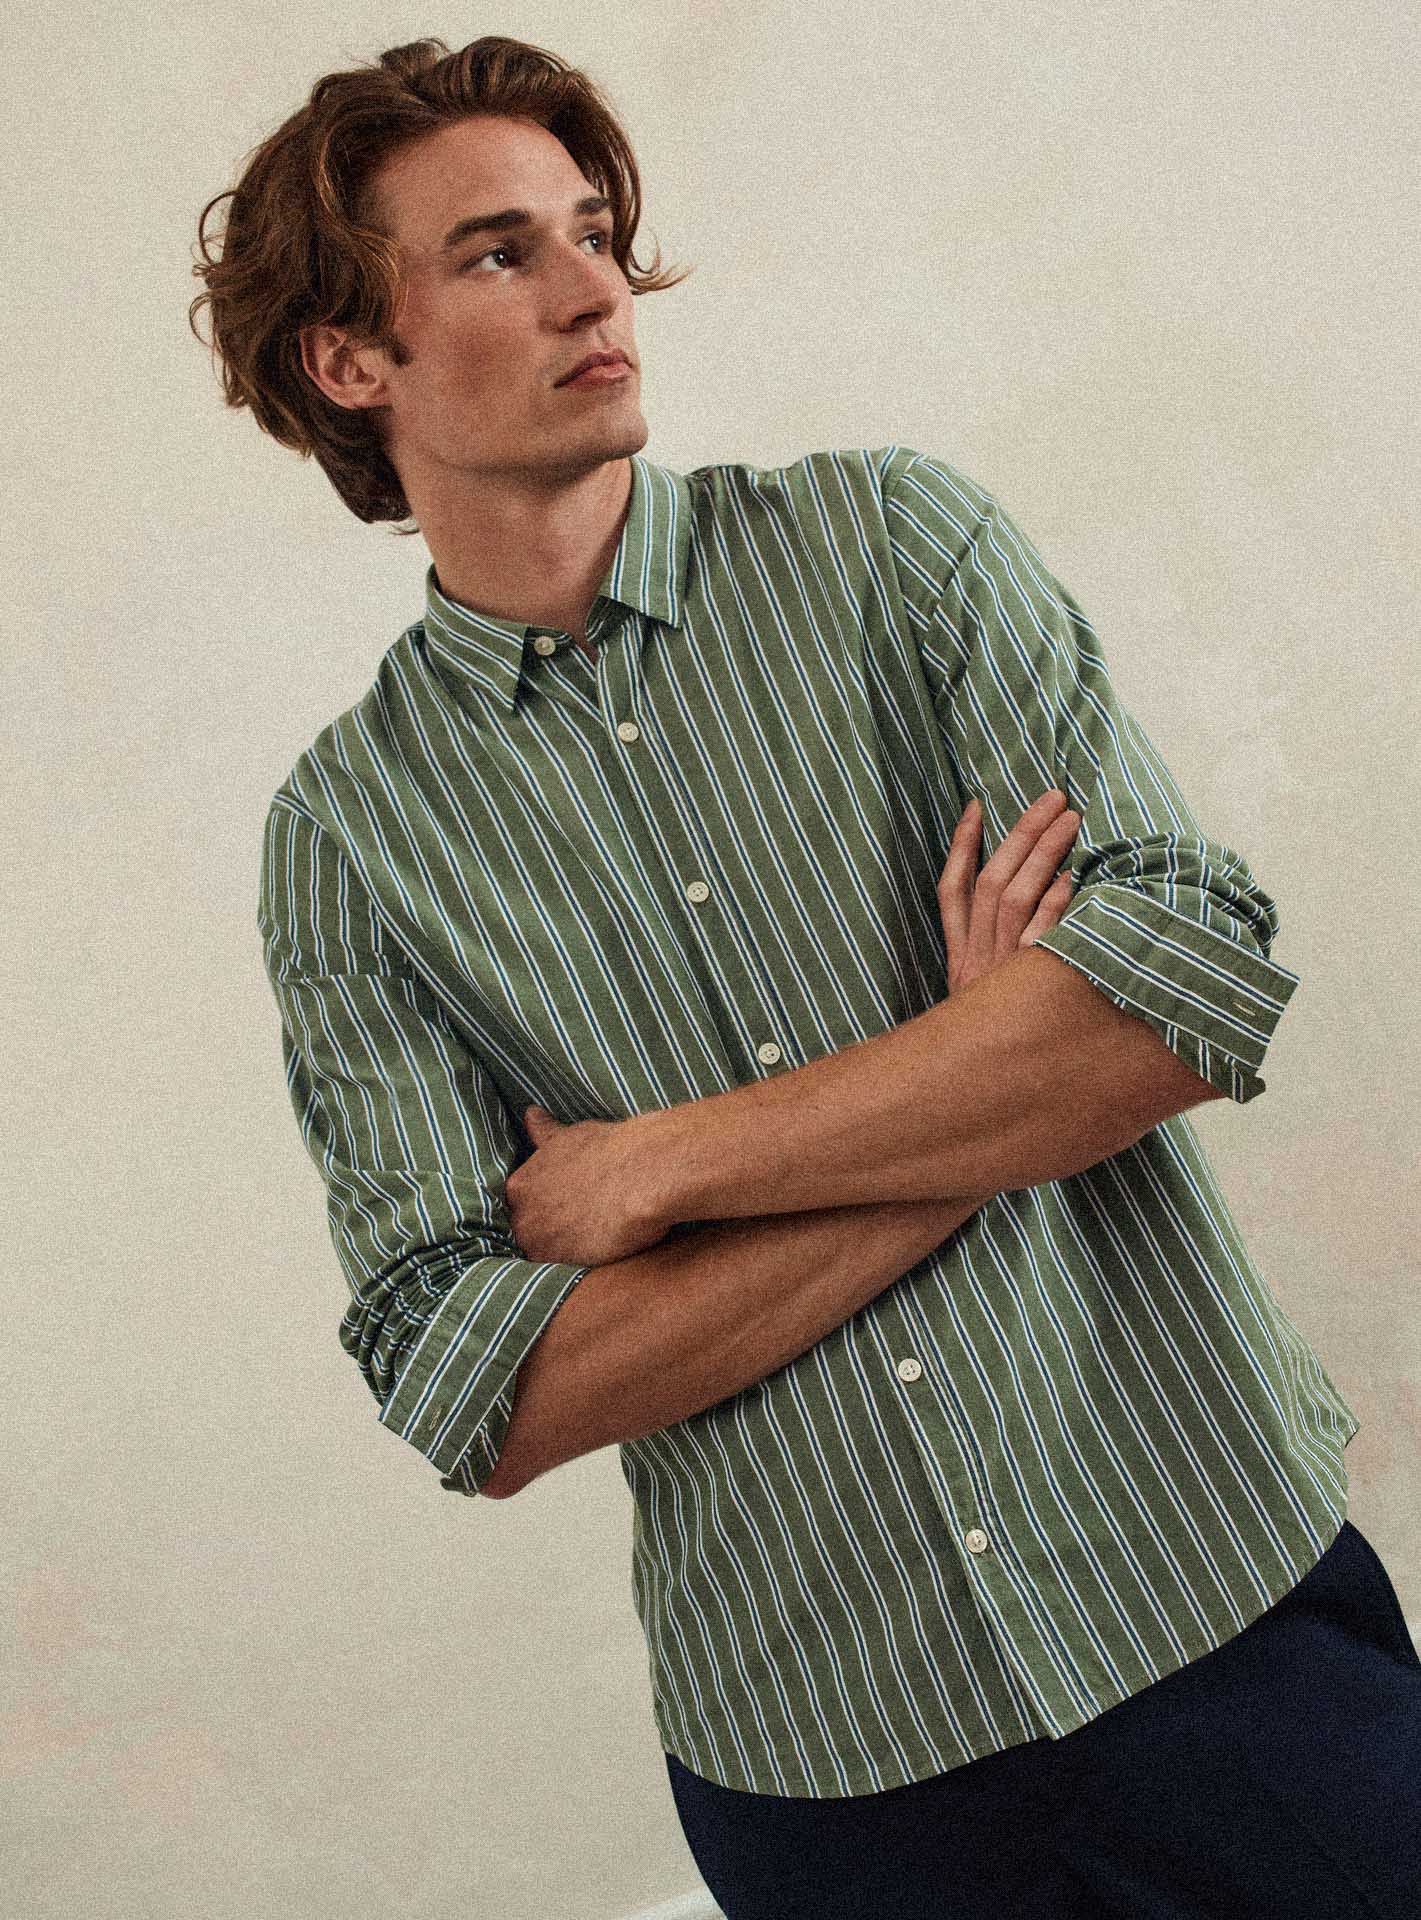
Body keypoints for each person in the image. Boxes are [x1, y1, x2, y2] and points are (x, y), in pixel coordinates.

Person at [191, 34, 1421, 1918]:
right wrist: (981, 1086)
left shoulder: (892, 546)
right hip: (829, 1774)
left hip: (1214, 1613)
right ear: (348, 360)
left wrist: (653, 1171)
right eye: (501, 252)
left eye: (592, 233)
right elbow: (473, 1386)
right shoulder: (351, 838)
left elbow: (1180, 990)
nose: (596, 289)